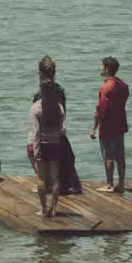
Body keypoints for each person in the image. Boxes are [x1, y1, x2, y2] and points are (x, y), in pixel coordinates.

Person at [28, 55, 82, 195]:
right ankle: (65, 185)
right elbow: (63, 112)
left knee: (40, 158)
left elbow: (36, 117)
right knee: (65, 157)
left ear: (40, 73)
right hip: (58, 130)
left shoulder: (40, 93)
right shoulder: (59, 91)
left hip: (44, 133)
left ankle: (47, 187)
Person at [90, 56, 129, 193]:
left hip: (107, 126)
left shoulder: (106, 87)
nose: (100, 68)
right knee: (120, 156)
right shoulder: (123, 85)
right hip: (120, 124)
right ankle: (121, 183)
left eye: (101, 66)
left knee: (108, 156)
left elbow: (101, 109)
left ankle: (110, 184)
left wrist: (93, 127)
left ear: (106, 69)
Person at [30, 79, 66, 217]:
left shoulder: (36, 108)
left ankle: (44, 210)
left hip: (42, 145)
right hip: (55, 144)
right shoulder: (58, 107)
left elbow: (36, 132)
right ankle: (54, 209)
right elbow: (63, 129)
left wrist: (36, 150)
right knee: (55, 178)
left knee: (41, 178)